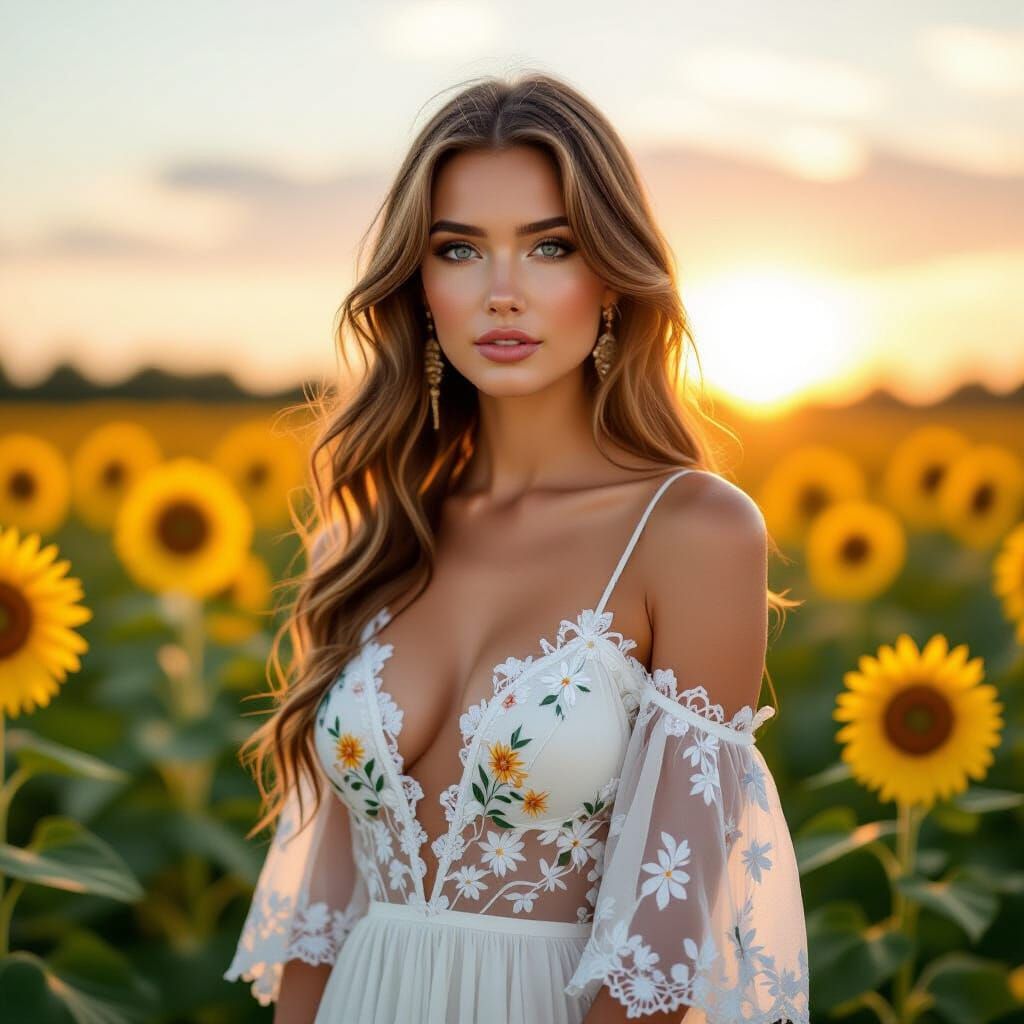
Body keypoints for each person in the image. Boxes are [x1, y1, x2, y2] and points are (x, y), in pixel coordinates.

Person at [223, 71, 810, 1024]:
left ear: (612, 277)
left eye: (550, 246)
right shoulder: (377, 529)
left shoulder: (693, 533)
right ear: (418, 284)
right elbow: (322, 919)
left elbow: (657, 963)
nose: (503, 294)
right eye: (460, 249)